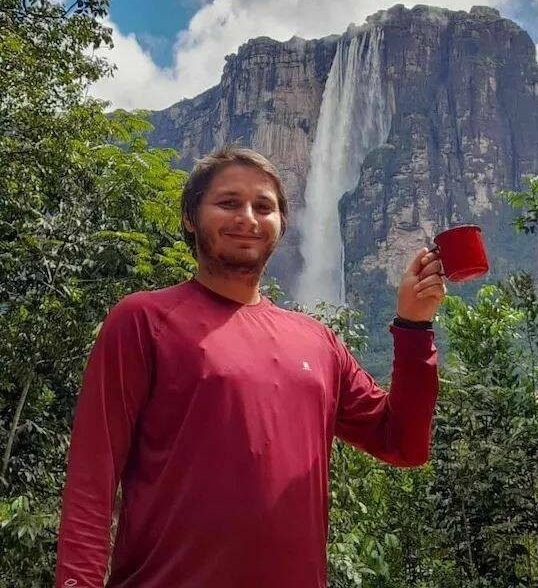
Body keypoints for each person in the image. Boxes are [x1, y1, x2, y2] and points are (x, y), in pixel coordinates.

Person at [54, 146, 445, 588]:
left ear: (281, 224)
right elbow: (93, 476)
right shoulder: (143, 320)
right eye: (228, 203)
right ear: (190, 217)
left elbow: (403, 443)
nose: (247, 218)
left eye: (263, 206)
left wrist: (414, 324)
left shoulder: (317, 341)